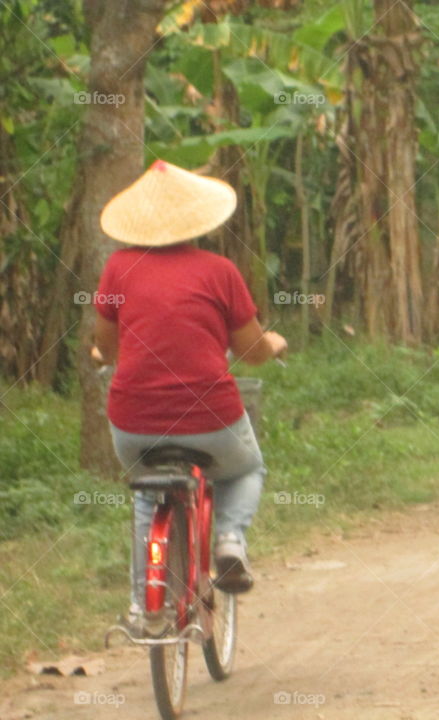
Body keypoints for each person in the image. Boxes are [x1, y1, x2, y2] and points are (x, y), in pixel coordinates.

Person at [92, 160, 286, 623]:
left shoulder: (118, 269)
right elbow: (251, 351)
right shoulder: (220, 271)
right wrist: (273, 342)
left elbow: (106, 346)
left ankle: (144, 607)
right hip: (210, 419)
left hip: (133, 425)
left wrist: (110, 353)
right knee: (246, 470)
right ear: (201, 221)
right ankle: (229, 540)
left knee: (146, 494)